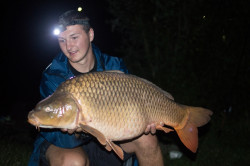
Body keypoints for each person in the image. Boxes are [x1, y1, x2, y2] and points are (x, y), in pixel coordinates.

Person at [28, 9, 164, 166]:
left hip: (107, 137)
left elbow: (133, 106)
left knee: (148, 140)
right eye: (62, 40)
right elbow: (56, 136)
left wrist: (144, 120)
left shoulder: (114, 65)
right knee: (73, 161)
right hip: (64, 144)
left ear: (90, 35)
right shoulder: (52, 76)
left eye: (74, 37)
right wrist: (81, 130)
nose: (69, 46)